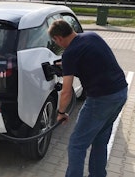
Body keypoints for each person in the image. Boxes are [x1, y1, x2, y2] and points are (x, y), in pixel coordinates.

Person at [48, 19, 128, 177]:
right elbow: (96, 65)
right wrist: (69, 67)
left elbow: (66, 92)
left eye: (55, 41)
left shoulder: (70, 53)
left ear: (58, 38)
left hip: (101, 100)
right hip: (120, 93)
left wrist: (61, 113)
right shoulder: (92, 36)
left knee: (76, 145)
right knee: (100, 140)